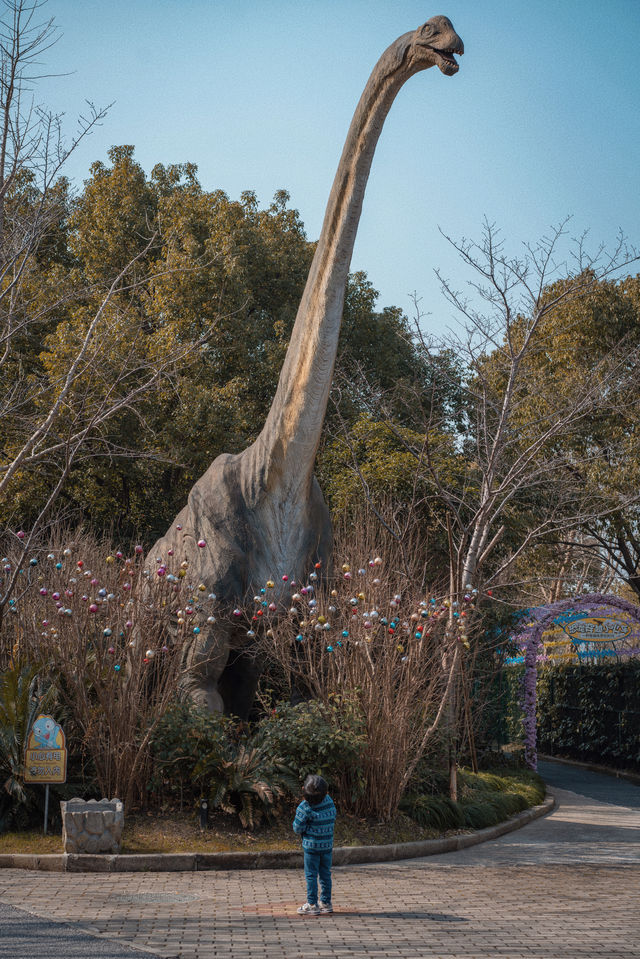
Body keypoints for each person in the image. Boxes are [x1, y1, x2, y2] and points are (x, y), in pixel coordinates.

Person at [292, 773, 336, 915]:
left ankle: (312, 904)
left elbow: (297, 828)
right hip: (327, 846)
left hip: (311, 848)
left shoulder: (304, 807)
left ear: (303, 790)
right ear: (326, 792)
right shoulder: (329, 801)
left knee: (311, 875)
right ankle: (326, 902)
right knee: (325, 875)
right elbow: (333, 815)